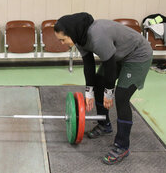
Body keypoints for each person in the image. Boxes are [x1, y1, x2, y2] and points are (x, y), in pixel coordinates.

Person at [54, 12, 152, 165]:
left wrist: (109, 93)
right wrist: (89, 92)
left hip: (137, 55)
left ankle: (122, 146)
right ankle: (104, 124)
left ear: (70, 34)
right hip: (117, 55)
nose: (62, 43)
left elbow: (110, 66)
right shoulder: (79, 38)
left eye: (63, 39)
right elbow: (88, 65)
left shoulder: (97, 37)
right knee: (99, 83)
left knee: (120, 97)